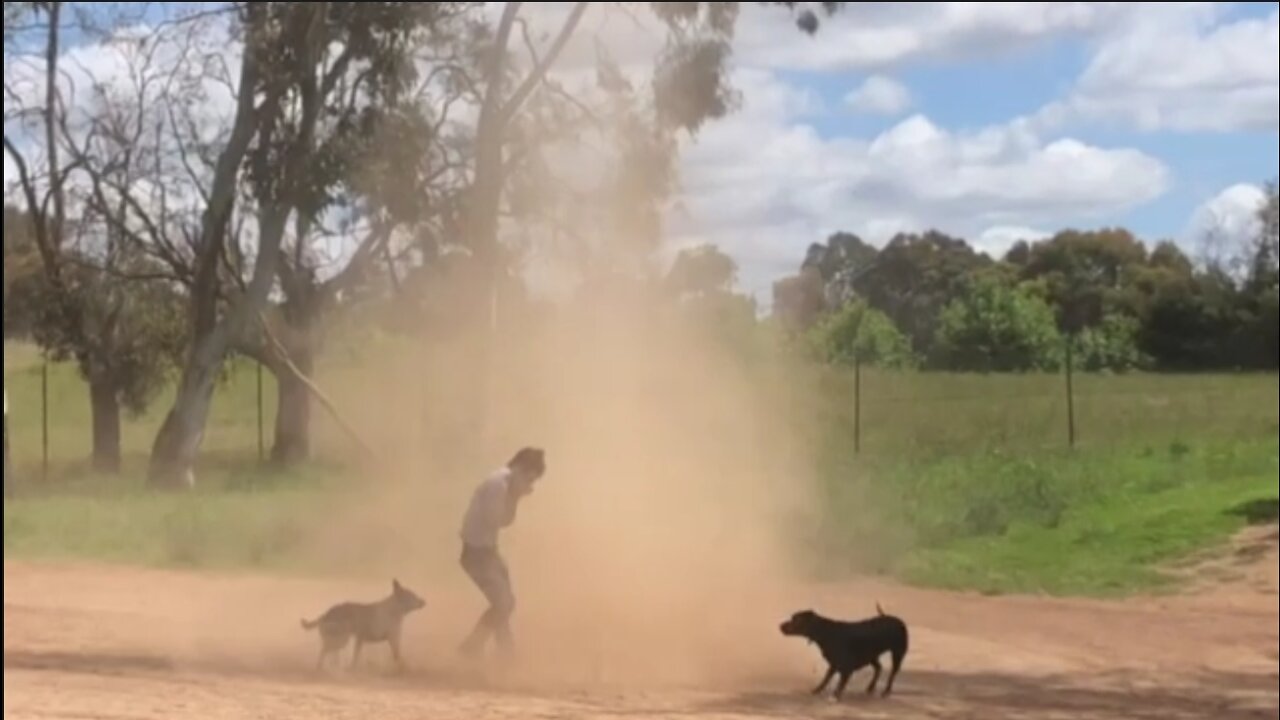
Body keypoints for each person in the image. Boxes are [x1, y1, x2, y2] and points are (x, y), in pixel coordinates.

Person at [457, 446, 545, 659]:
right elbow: (497, 519)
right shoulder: (498, 484)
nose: (529, 485)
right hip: (477, 553)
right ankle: (473, 646)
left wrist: (515, 496)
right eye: (529, 479)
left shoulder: (502, 483)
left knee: (505, 602)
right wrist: (515, 497)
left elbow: (502, 521)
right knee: (503, 603)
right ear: (519, 469)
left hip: (485, 551)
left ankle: (504, 651)